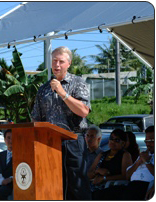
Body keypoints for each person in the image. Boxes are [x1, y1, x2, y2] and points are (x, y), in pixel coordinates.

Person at [31, 46, 91, 199]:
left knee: (77, 187)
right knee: (53, 185)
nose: (57, 65)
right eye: (54, 61)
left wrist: (62, 93)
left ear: (69, 63)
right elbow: (36, 118)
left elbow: (84, 111)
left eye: (61, 61)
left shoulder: (78, 83)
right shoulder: (43, 89)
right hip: (49, 144)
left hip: (73, 142)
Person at [88, 129, 132, 200]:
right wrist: (97, 171)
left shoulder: (125, 155)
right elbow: (89, 174)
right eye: (111, 139)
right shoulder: (102, 154)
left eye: (116, 140)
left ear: (123, 143)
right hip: (94, 188)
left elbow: (126, 176)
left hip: (113, 189)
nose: (112, 141)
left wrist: (104, 178)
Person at [120, 125, 154, 200]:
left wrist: (147, 162)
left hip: (145, 187)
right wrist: (138, 162)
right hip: (132, 185)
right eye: (146, 141)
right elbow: (127, 176)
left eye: (151, 141)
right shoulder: (144, 154)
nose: (148, 144)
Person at [84, 125, 103, 199]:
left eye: (92, 136)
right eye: (87, 136)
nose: (89, 139)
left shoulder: (102, 155)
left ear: (99, 139)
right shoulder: (81, 153)